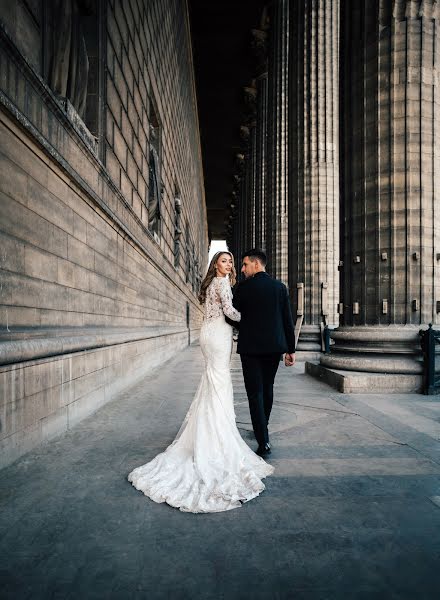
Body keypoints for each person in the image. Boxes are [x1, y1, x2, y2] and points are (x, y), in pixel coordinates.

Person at [128, 251, 273, 513]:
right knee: (220, 382)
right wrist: (254, 317)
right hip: (219, 335)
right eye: (224, 261)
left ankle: (208, 432)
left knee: (213, 381)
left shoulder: (210, 285)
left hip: (208, 333)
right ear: (215, 265)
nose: (230, 265)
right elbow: (230, 312)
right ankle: (217, 438)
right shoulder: (222, 284)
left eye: (231, 261)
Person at [232, 249, 296, 456]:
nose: (242, 269)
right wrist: (291, 349)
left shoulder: (242, 288)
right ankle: (263, 429)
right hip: (273, 347)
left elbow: (232, 317)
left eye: (245, 265)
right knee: (267, 388)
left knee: (254, 393)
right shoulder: (280, 288)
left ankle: (263, 439)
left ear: (256, 264)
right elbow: (288, 320)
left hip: (250, 347)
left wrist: (247, 326)